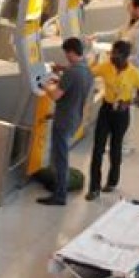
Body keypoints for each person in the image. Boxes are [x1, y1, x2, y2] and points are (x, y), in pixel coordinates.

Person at [86, 40, 139, 201]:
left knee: (115, 147)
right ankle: (94, 188)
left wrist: (130, 102)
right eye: (112, 53)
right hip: (106, 110)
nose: (112, 56)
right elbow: (89, 72)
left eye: (116, 54)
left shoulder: (134, 73)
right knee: (98, 148)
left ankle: (112, 181)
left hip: (121, 114)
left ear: (125, 57)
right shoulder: (106, 66)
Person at [38, 37, 94, 206]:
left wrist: (43, 84)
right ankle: (57, 185)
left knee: (61, 159)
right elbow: (73, 95)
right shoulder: (87, 71)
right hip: (74, 118)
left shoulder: (72, 72)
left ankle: (60, 195)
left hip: (64, 121)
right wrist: (62, 70)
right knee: (60, 156)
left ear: (70, 52)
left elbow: (56, 95)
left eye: (66, 53)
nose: (65, 57)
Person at [86, 0, 139, 74]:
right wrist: (97, 36)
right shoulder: (133, 20)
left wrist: (115, 57)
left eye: (129, 6)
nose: (127, 8)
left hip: (133, 73)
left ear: (137, 8)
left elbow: (138, 59)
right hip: (123, 68)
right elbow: (118, 34)